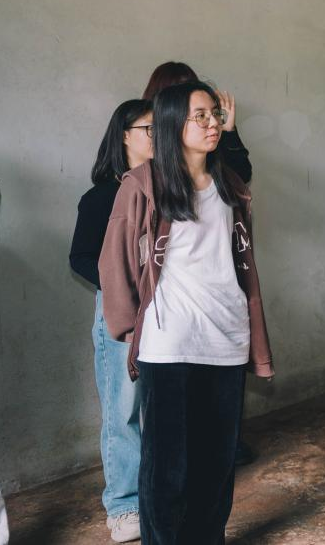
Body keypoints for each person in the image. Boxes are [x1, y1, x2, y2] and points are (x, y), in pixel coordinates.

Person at [99, 81, 274, 545]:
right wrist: (131, 328)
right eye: (201, 115)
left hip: (227, 336)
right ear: (174, 123)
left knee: (216, 463)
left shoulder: (229, 184)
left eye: (215, 113)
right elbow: (114, 261)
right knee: (166, 467)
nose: (213, 123)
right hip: (170, 340)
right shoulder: (143, 183)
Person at [69, 99, 153, 543]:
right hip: (120, 311)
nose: (157, 137)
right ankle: (123, 506)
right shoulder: (102, 196)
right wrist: (122, 285)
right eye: (147, 129)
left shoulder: (170, 187)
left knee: (160, 406)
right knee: (123, 410)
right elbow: (80, 257)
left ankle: (155, 495)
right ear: (124, 135)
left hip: (166, 310)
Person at [143, 61, 252, 183]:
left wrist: (228, 131)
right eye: (200, 115)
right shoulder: (145, 177)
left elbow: (242, 176)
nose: (189, 92)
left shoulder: (209, 131)